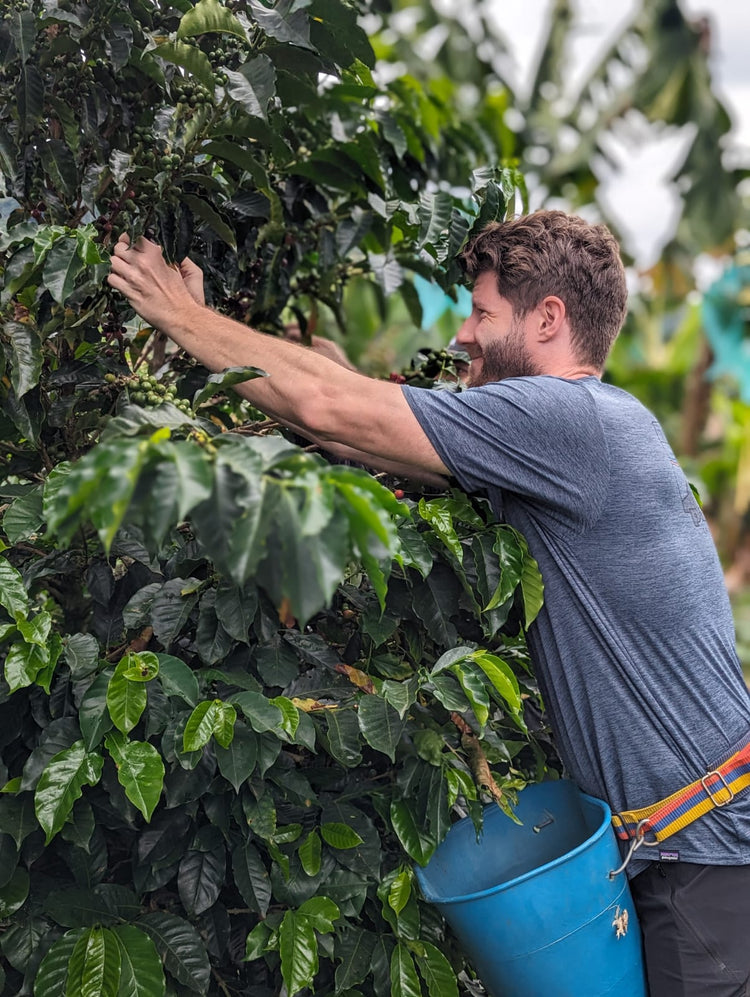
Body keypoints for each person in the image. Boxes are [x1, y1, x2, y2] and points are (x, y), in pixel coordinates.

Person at [108, 210, 750, 997]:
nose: (463, 336)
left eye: (482, 313)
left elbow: (335, 407)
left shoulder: (572, 421)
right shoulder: (565, 436)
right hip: (675, 852)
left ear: (549, 318)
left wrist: (181, 316)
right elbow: (357, 426)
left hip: (705, 860)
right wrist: (219, 337)